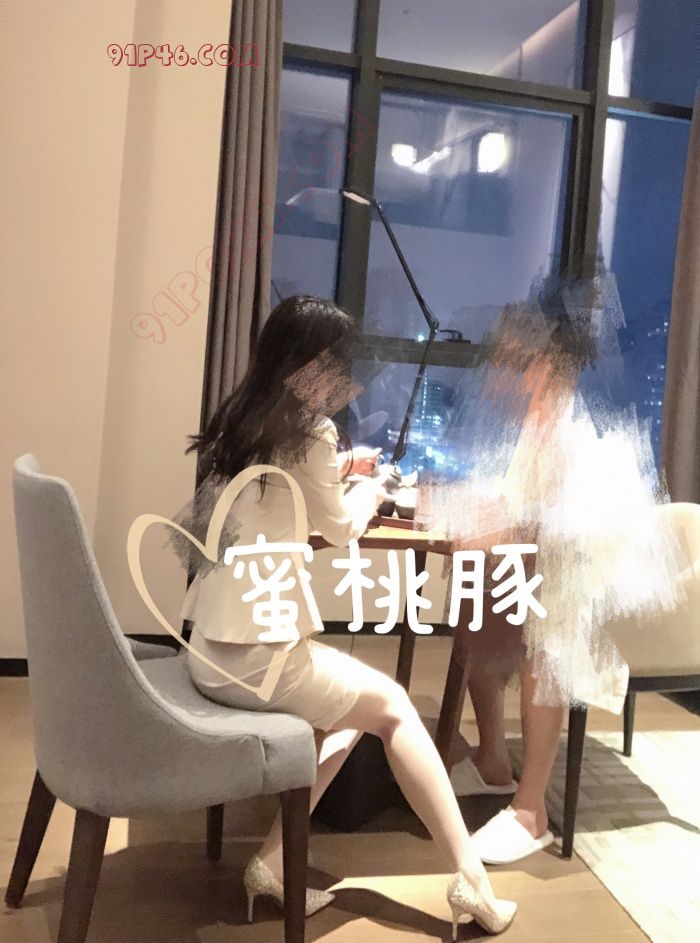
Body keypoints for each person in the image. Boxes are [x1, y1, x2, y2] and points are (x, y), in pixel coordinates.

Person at [176, 295, 517, 938]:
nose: (344, 376)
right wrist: (367, 488)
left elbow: (278, 493)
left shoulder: (240, 420)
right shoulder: (311, 433)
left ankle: (271, 865)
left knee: (347, 719)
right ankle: (472, 881)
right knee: (396, 710)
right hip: (258, 658)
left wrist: (336, 472)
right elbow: (339, 528)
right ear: (311, 364)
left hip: (209, 653)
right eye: (337, 362)